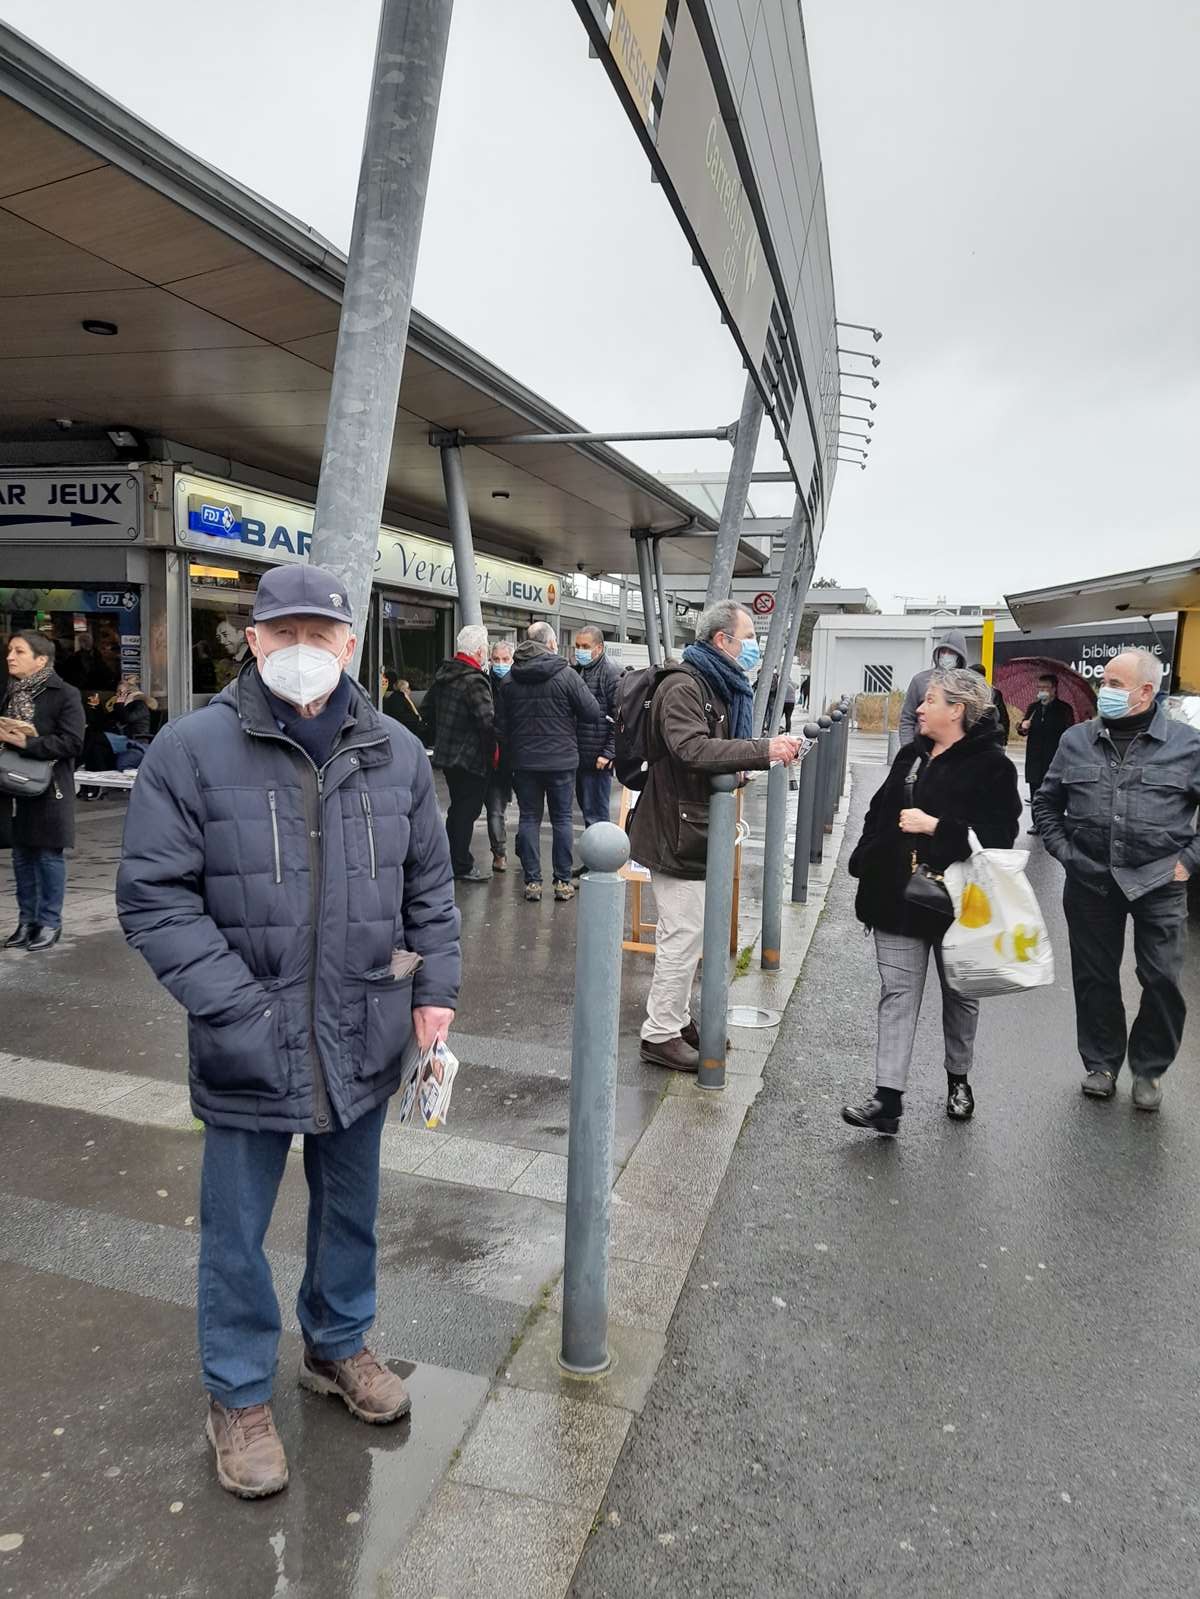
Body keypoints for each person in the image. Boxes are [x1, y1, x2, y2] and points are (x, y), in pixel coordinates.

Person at [116, 563, 460, 1501]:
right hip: (248, 1036)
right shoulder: (189, 750)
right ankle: (236, 1391)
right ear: (253, 640)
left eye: (323, 633)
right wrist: (235, 1003)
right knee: (236, 1229)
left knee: (351, 1208)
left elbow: (430, 883)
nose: (304, 650)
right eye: (285, 632)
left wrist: (439, 988)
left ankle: (337, 1344)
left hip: (363, 1025)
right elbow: (152, 896)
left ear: (351, 644)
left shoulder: (397, 749)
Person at [843, 669, 1021, 1135]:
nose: (918, 708)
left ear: (957, 710)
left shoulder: (993, 766)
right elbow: (877, 811)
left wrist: (936, 827)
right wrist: (865, 858)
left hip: (959, 904)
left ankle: (958, 1080)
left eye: (930, 701)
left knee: (961, 997)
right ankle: (887, 1099)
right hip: (895, 900)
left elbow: (1001, 836)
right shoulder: (911, 753)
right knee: (897, 995)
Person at [629, 601, 801, 1071]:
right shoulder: (685, 685)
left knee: (692, 932)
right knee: (682, 934)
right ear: (723, 641)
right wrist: (761, 751)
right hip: (674, 828)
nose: (754, 649)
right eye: (749, 638)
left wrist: (744, 762)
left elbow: (711, 749)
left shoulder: (719, 685)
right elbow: (691, 748)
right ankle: (659, 1032)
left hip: (693, 826)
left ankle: (678, 1018)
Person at [1033, 649, 1199, 1111]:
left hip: (1161, 880)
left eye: (1115, 684)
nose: (1104, 691)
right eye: (1103, 681)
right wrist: (1067, 855)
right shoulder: (1076, 741)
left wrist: (1188, 861)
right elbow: (1046, 805)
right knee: (1094, 976)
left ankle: (1149, 1069)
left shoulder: (1188, 745)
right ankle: (1102, 1063)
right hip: (1090, 880)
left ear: (1147, 692)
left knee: (1162, 977)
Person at [495, 621, 602, 904]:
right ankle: (562, 881)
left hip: (524, 763)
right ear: (551, 643)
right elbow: (592, 712)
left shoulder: (509, 680)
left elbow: (500, 727)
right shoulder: (566, 675)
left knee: (529, 818)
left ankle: (532, 882)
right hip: (562, 761)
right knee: (562, 819)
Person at [1, 632, 85, 951]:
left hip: (50, 786)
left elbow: (74, 741)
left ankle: (50, 922)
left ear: (41, 660)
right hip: (14, 783)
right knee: (22, 855)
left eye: (19, 651)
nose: (10, 656)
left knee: (48, 855)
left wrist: (27, 742)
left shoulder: (65, 694)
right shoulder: (11, 692)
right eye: (10, 650)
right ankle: (27, 922)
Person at [421, 624, 495, 884]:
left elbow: (426, 710)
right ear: (479, 651)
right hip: (471, 759)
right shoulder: (474, 680)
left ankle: (451, 858)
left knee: (457, 808)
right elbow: (487, 722)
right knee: (467, 811)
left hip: (448, 756)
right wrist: (491, 756)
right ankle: (461, 863)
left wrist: (439, 738)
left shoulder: (445, 675)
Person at [572, 625, 621, 853]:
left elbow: (621, 716)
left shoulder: (611, 673)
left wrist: (608, 753)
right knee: (587, 811)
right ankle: (593, 861)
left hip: (598, 759)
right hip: (581, 756)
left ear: (599, 648)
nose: (579, 651)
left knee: (597, 816)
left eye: (585, 647)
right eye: (577, 646)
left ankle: (601, 863)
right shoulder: (579, 671)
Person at [1018, 673, 1074, 832]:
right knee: (1035, 791)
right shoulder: (1033, 708)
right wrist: (1023, 726)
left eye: (1045, 688)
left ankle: (1054, 823)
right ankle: (1037, 823)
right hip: (1034, 756)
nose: (1041, 691)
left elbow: (1069, 731)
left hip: (1054, 756)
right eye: (1039, 687)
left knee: (1055, 791)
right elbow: (1022, 730)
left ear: (1054, 689)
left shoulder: (1064, 709)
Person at [898, 630, 968, 745]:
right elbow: (907, 719)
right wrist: (909, 750)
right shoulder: (920, 681)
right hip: (922, 749)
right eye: (943, 651)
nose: (946, 655)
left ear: (960, 656)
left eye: (951, 652)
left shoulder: (968, 685)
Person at [486, 641, 514, 872]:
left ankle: (526, 851)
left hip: (518, 756)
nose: (501, 664)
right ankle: (499, 853)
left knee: (530, 810)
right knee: (495, 809)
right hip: (494, 758)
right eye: (497, 659)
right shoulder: (484, 684)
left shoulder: (518, 684)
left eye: (505, 660)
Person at [967, 662, 1010, 747]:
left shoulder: (993, 693)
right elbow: (1004, 719)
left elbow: (1002, 718)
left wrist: (1003, 740)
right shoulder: (967, 692)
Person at [381, 670, 425, 741]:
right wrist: (416, 718)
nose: (410, 690)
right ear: (403, 689)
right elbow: (399, 715)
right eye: (408, 688)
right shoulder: (398, 699)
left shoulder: (399, 697)